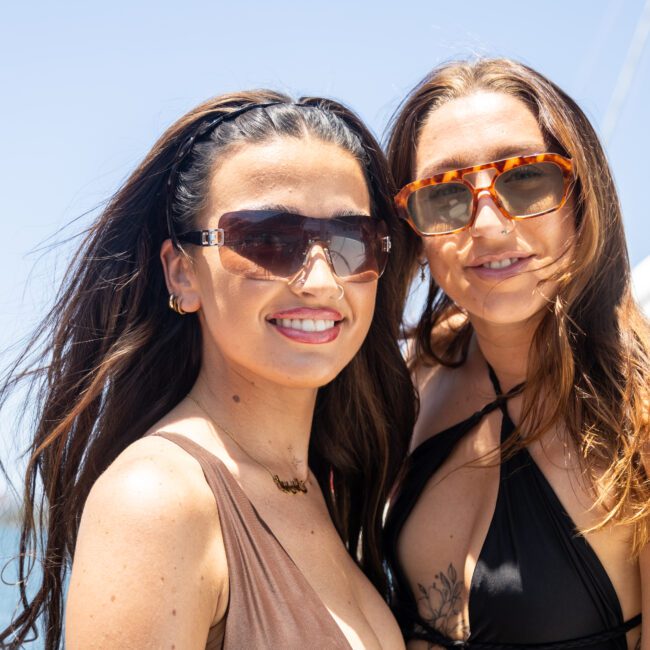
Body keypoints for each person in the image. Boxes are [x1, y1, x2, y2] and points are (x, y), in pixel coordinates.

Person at [0, 91, 416, 649]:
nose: (321, 282)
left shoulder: (320, 486)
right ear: (182, 274)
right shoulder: (158, 499)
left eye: (351, 242)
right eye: (268, 240)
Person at [383, 59, 650, 649]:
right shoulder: (415, 373)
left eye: (528, 180)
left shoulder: (640, 409)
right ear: (413, 231)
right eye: (443, 195)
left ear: (583, 197)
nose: (488, 224)